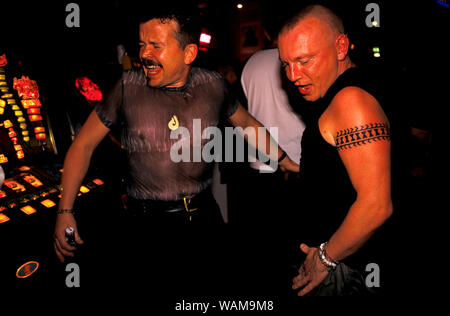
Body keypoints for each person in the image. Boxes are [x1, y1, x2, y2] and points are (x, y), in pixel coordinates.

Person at [52, 8, 298, 291]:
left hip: (203, 218)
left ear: (188, 53)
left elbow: (248, 124)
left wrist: (283, 159)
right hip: (144, 226)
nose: (145, 54)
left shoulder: (212, 86)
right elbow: (82, 145)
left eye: (156, 46)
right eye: (142, 45)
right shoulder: (127, 87)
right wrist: (64, 210)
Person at [277, 5, 393, 295]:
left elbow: (376, 206)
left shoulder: (350, 100)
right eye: (286, 64)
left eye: (304, 60)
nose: (293, 74)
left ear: (340, 46)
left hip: (344, 269)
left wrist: (325, 258)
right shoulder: (351, 89)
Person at [230, 48, 305, 226]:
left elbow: (242, 111)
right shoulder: (298, 60)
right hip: (295, 158)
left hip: (259, 158)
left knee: (266, 224)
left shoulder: (251, 61)